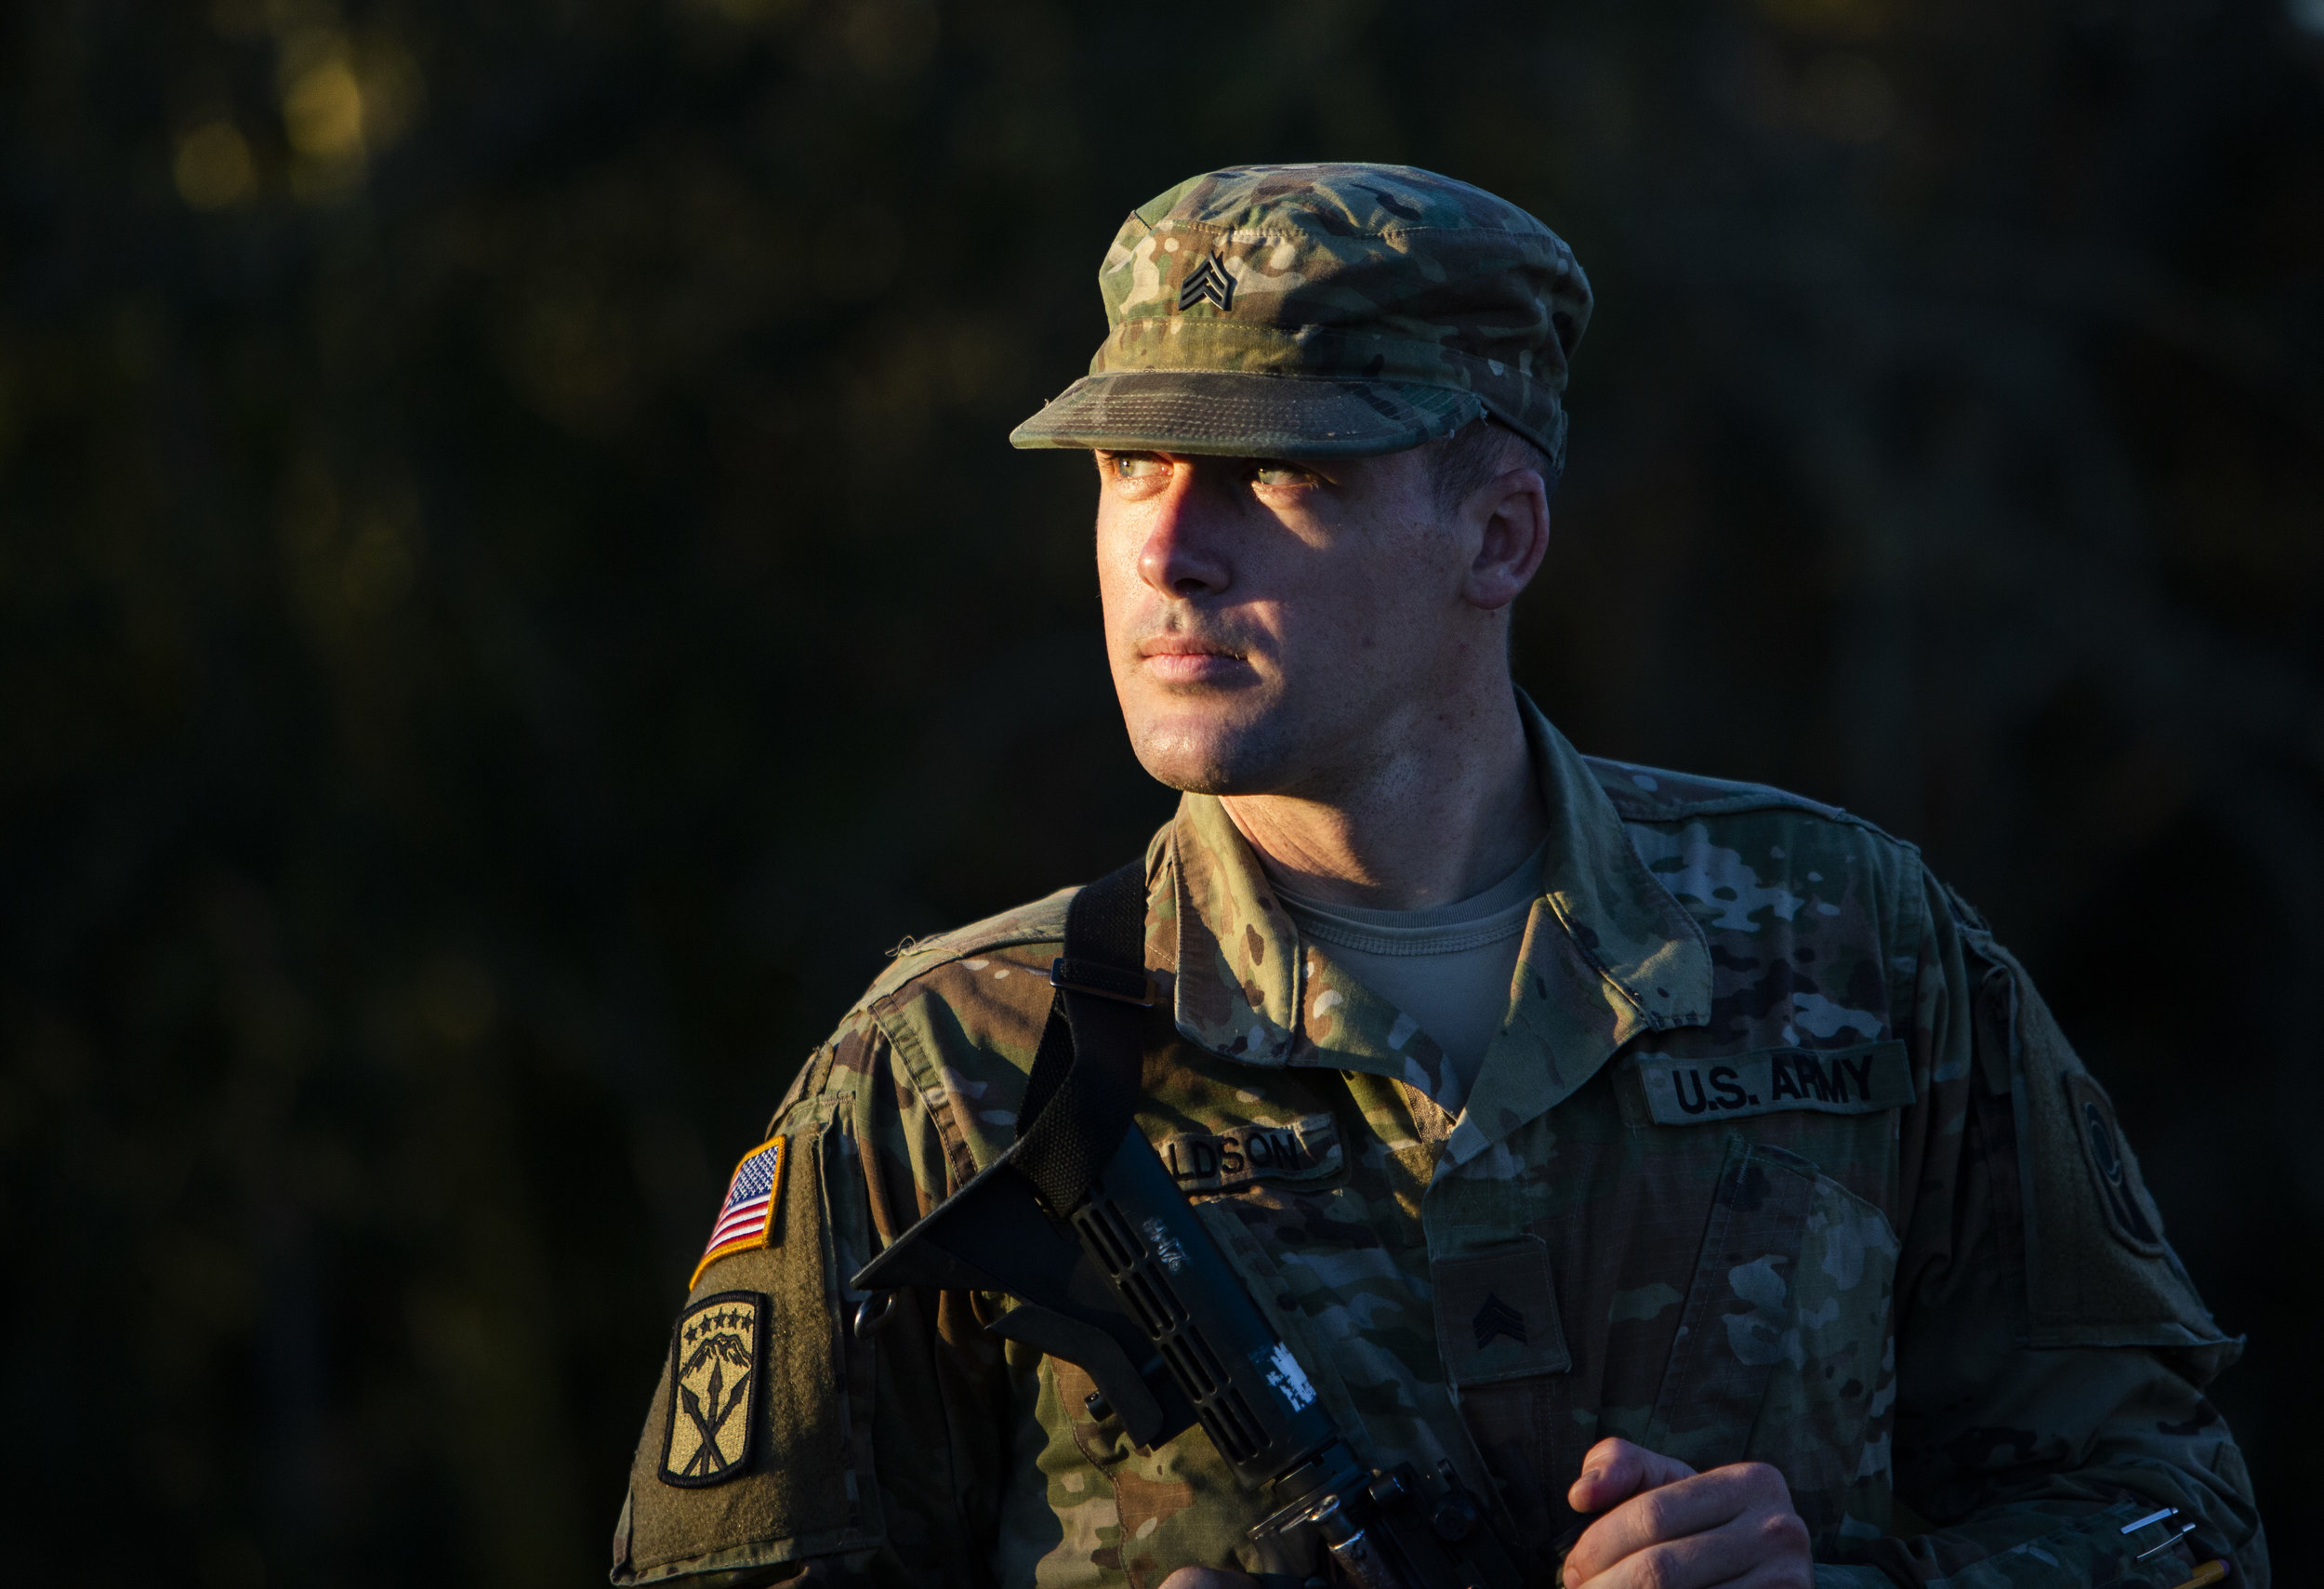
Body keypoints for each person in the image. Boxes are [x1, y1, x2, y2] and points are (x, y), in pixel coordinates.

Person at [607, 165, 2265, 1589]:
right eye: (1127, 469)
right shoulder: (953, 1069)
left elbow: (2173, 1511)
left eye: (1278, 471)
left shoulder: (1858, 953)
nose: (1168, 547)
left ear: (1501, 536)